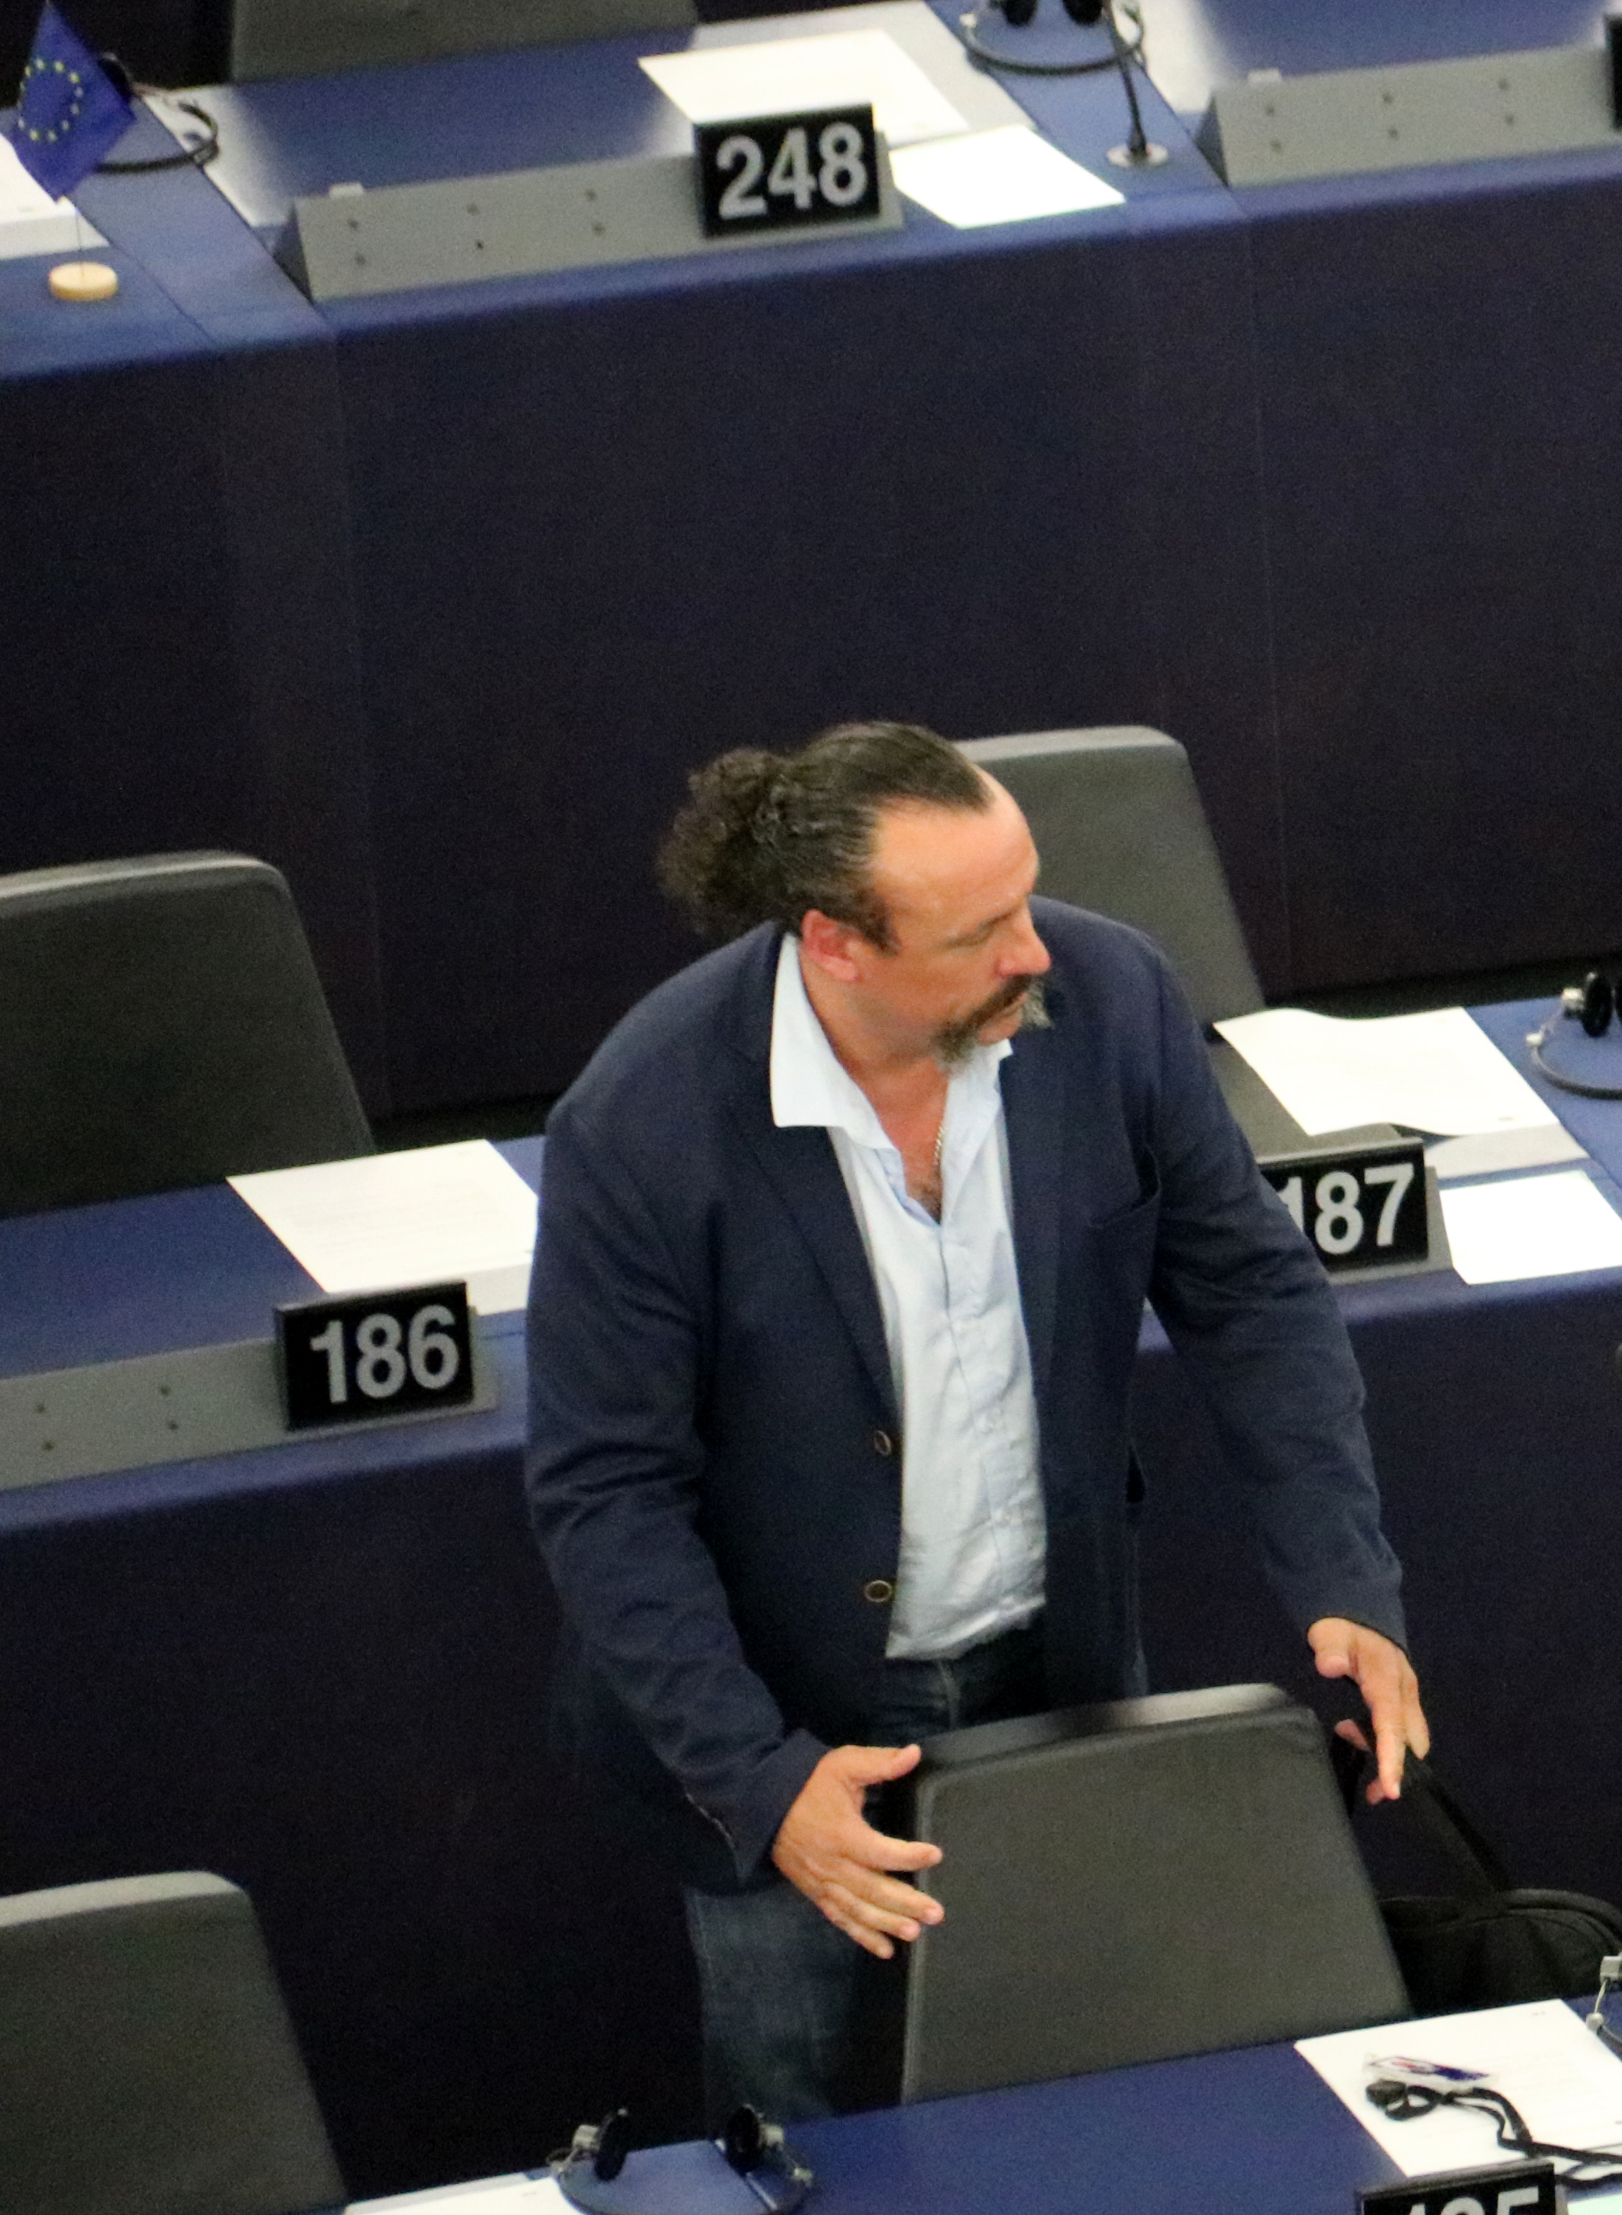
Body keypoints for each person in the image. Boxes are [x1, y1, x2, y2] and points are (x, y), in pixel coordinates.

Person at [526, 722, 1428, 2123]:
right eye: (979, 933)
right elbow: (606, 1494)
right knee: (825, 2163)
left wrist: (1341, 1574)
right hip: (794, 1735)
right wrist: (765, 1785)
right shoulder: (645, 1126)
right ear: (835, 945)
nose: (1034, 954)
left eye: (1026, 900)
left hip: (1057, 1673)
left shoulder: (1113, 998)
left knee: (1092, 2106)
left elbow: (1251, 1290)